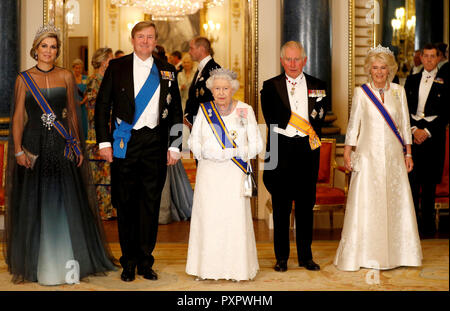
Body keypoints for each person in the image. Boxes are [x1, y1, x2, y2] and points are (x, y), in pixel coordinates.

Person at [4, 24, 117, 285]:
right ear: (36, 49)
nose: (49, 51)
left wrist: (75, 143)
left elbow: (72, 114)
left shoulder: (66, 76)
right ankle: (40, 265)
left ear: (57, 50)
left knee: (65, 204)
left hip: (61, 145)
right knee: (37, 203)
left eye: (53, 47)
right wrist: (18, 149)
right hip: (34, 146)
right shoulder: (24, 79)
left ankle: (67, 263)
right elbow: (19, 117)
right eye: (44, 46)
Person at [95, 21, 183, 282]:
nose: (145, 41)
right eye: (141, 37)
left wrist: (175, 145)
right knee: (125, 201)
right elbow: (102, 107)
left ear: (156, 41)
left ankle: (146, 260)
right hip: (125, 142)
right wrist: (104, 143)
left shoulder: (167, 70)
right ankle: (128, 261)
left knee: (150, 202)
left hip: (155, 142)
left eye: (150, 37)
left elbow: (176, 110)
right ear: (132, 39)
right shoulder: (117, 67)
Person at [334, 45, 422, 271]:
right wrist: (347, 150)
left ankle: (399, 254)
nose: (379, 72)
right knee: (368, 202)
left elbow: (404, 124)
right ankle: (364, 254)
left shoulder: (398, 92)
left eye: (383, 67)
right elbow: (354, 124)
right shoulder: (361, 93)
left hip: (394, 156)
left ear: (390, 69)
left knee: (395, 202)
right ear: (369, 70)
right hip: (368, 155)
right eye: (375, 68)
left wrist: (408, 153)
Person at [186, 68, 263, 281]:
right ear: (211, 90)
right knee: (209, 220)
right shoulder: (204, 111)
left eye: (225, 89)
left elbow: (257, 144)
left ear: (233, 90)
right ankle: (206, 269)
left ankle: (236, 269)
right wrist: (206, 152)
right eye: (217, 88)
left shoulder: (245, 110)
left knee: (232, 220)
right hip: (209, 175)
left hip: (233, 174)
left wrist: (235, 152)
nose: (221, 93)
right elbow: (193, 141)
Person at [260, 41, 327, 272]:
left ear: (304, 60)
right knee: (281, 207)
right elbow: (272, 118)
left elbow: (319, 118)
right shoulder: (270, 86)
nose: (292, 64)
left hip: (307, 150)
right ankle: (281, 258)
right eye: (288, 59)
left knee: (305, 207)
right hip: (280, 149)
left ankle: (306, 257)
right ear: (281, 61)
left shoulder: (318, 86)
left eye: (297, 59)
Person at [404, 43, 449, 237]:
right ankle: (412, 232)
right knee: (412, 186)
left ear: (439, 58)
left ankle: (429, 232)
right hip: (412, 138)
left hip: (433, 139)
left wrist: (427, 131)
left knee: (429, 187)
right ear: (420, 58)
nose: (429, 60)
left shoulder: (447, 81)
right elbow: (403, 109)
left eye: (433, 56)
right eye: (426, 56)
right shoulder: (411, 80)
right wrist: (413, 130)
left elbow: (447, 113)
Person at [85, 47, 115, 220]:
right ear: (104, 62)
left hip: (107, 131)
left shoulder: (105, 79)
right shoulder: (95, 80)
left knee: (107, 173)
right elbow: (96, 109)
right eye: (111, 59)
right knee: (100, 173)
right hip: (97, 133)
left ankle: (109, 208)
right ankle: (102, 210)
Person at [183, 37, 221, 131]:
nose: (189, 52)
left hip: (207, 124)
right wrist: (188, 117)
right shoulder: (201, 68)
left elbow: (211, 100)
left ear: (201, 49)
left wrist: (191, 119)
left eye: (191, 48)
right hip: (197, 123)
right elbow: (193, 96)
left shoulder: (214, 69)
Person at [177, 53, 197, 153]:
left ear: (192, 63)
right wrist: (181, 88)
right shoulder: (180, 75)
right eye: (184, 62)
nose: (186, 64)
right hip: (182, 101)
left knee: (193, 124)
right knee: (184, 125)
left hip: (193, 103)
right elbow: (175, 90)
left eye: (188, 62)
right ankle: (185, 147)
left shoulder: (195, 73)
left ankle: (194, 146)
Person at [72, 58, 88, 139]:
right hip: (73, 105)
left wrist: (82, 102)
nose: (78, 70)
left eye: (80, 68)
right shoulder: (70, 78)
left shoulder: (86, 78)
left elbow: (89, 93)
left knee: (83, 124)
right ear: (73, 68)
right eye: (76, 68)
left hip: (83, 105)